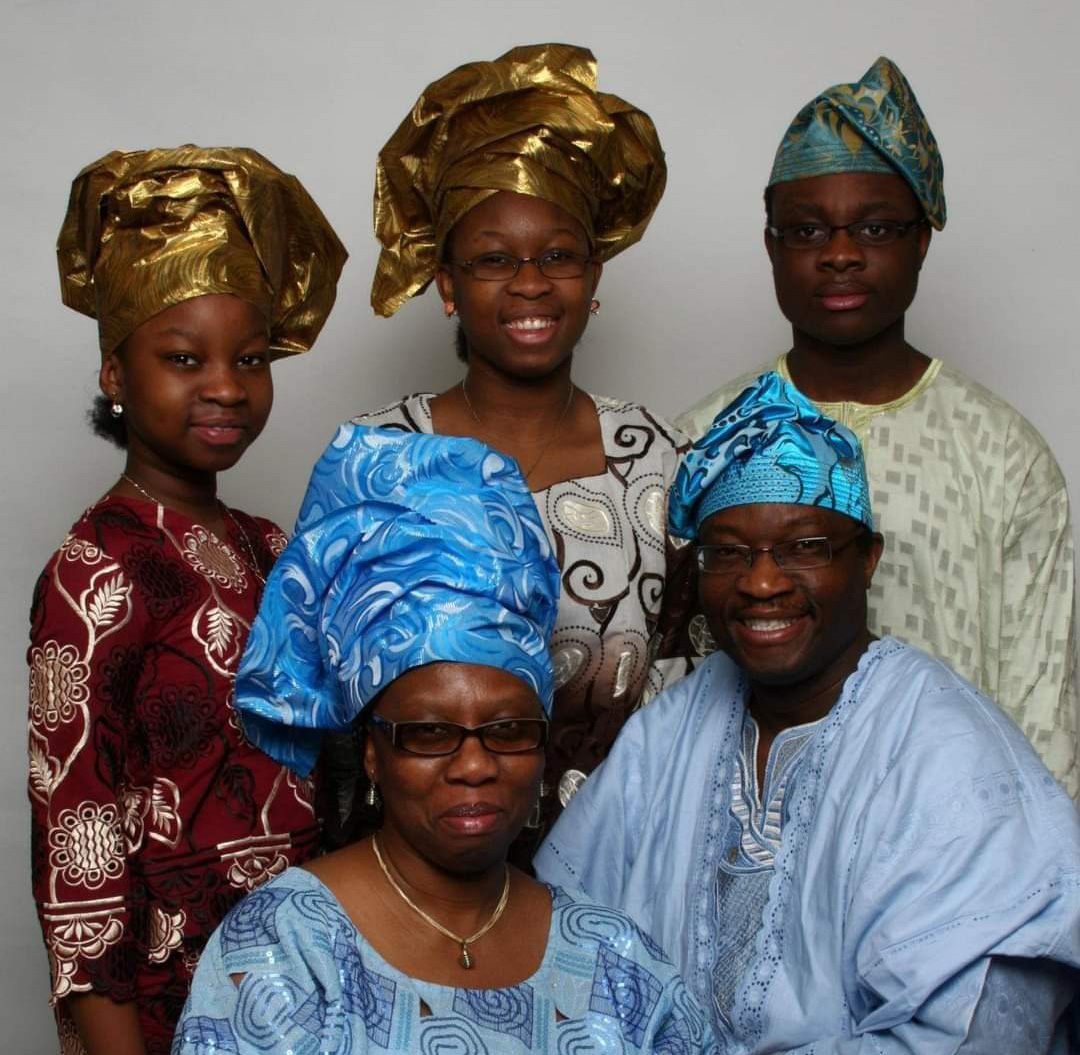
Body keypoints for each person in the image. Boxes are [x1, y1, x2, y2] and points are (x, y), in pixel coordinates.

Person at [536, 372, 1080, 1052]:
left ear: (868, 560)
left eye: (804, 547)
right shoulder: (675, 726)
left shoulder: (948, 753)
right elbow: (563, 939)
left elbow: (987, 1032)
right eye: (728, 553)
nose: (761, 583)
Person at [173, 426, 717, 1054]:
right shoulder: (286, 948)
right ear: (373, 754)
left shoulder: (614, 958)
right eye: (431, 733)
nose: (475, 764)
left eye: (508, 730)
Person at [675, 57, 1078, 800]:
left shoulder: (1001, 453)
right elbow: (672, 698)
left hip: (956, 850)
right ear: (771, 246)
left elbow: (1044, 714)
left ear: (922, 241)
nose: (839, 253)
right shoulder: (706, 437)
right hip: (746, 843)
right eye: (806, 230)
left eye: (876, 227)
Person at [329, 42, 694, 846]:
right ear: (449, 284)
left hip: (617, 884)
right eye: (494, 259)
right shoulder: (380, 458)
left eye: (558, 255)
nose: (530, 283)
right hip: (415, 891)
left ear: (594, 277)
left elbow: (690, 698)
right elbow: (335, 720)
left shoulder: (658, 456)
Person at [28, 146, 347, 1055]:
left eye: (251, 359)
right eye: (183, 358)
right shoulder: (94, 568)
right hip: (177, 1003)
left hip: (312, 980)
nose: (225, 386)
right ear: (116, 376)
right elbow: (75, 842)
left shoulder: (273, 546)